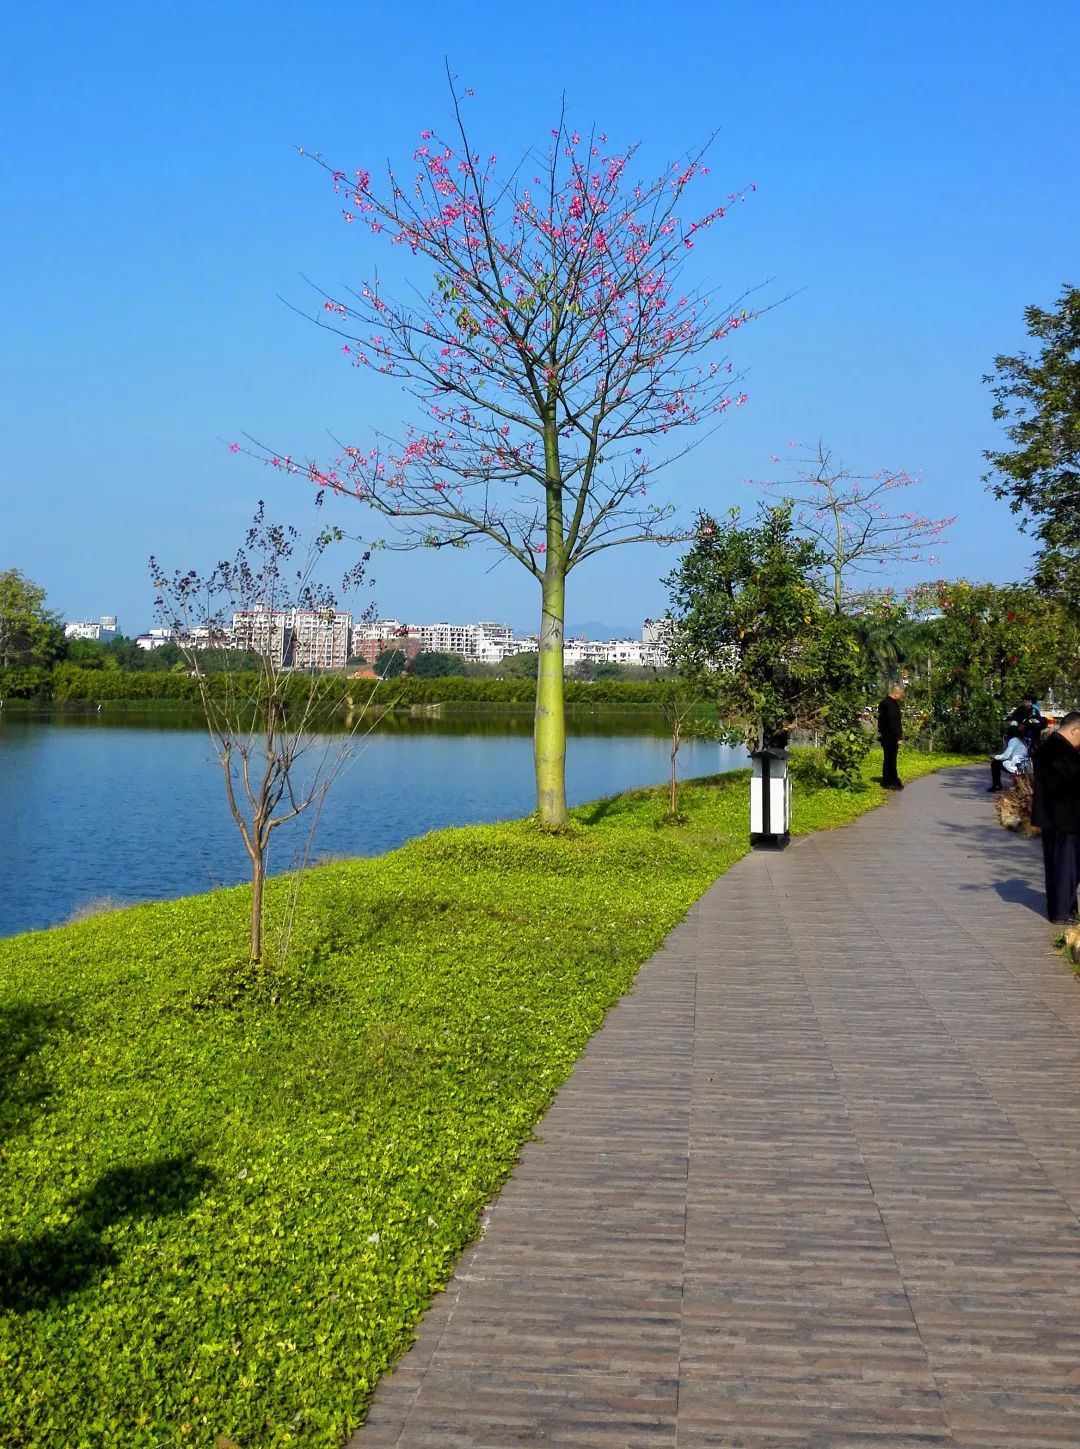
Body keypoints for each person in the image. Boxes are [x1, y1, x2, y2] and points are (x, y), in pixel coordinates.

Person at [1030, 710, 1080, 924]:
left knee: (1056, 865)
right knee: (1067, 866)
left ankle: (1061, 908)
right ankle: (1062, 912)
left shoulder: (1049, 748)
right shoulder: (1061, 751)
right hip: (1066, 818)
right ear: (1075, 729)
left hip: (1053, 816)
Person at [877, 683, 905, 791]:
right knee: (891, 760)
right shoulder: (892, 705)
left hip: (885, 735)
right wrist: (899, 737)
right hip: (891, 737)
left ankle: (887, 779)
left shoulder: (883, 703)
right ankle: (890, 781)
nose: (902, 697)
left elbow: (881, 721)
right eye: (901, 695)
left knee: (888, 759)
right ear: (896, 693)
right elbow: (894, 722)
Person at [988, 725, 1030, 792]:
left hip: (1017, 766)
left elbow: (1006, 755)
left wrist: (995, 756)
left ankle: (997, 785)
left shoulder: (1013, 740)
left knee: (995, 763)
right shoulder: (1022, 740)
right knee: (999, 762)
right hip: (1024, 765)